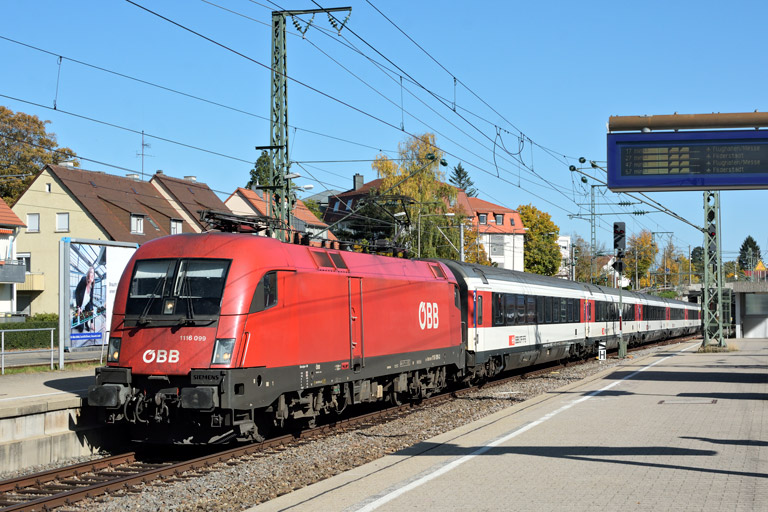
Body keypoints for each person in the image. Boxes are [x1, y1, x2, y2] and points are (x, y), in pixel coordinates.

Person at [74, 267, 95, 332]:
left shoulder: (93, 284)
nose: (92, 274)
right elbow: (77, 292)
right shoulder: (83, 280)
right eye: (91, 272)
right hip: (80, 305)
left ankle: (86, 323)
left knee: (90, 311)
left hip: (86, 306)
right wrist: (78, 307)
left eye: (93, 273)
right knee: (79, 328)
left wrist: (92, 323)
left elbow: (91, 300)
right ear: (88, 273)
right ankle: (76, 318)